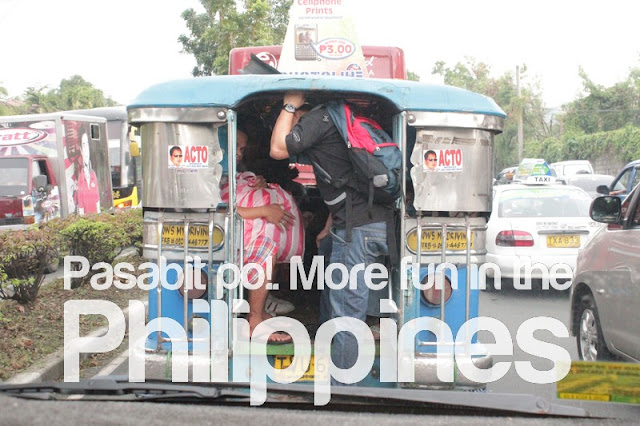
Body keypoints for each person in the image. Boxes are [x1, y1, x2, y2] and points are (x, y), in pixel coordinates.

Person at [270, 91, 392, 382]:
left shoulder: (316, 119)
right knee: (334, 283)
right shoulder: (341, 122)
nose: (292, 127)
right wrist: (329, 228)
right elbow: (344, 185)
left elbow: (277, 148)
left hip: (358, 231)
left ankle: (342, 387)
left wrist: (289, 105)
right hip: (369, 224)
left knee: (348, 311)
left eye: (292, 122)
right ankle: (328, 348)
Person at [221, 129, 304, 344]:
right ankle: (254, 321)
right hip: (227, 239)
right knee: (266, 245)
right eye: (237, 147)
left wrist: (255, 182)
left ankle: (258, 310)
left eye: (242, 148)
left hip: (241, 232)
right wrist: (264, 211)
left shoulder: (233, 172)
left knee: (271, 241)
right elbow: (220, 212)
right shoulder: (210, 175)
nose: (239, 153)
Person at [76, 133, 100, 214]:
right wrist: (81, 212)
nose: (86, 149)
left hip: (95, 212)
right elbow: (80, 196)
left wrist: (98, 210)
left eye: (87, 145)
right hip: (86, 213)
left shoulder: (93, 175)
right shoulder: (80, 177)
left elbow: (96, 195)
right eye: (84, 145)